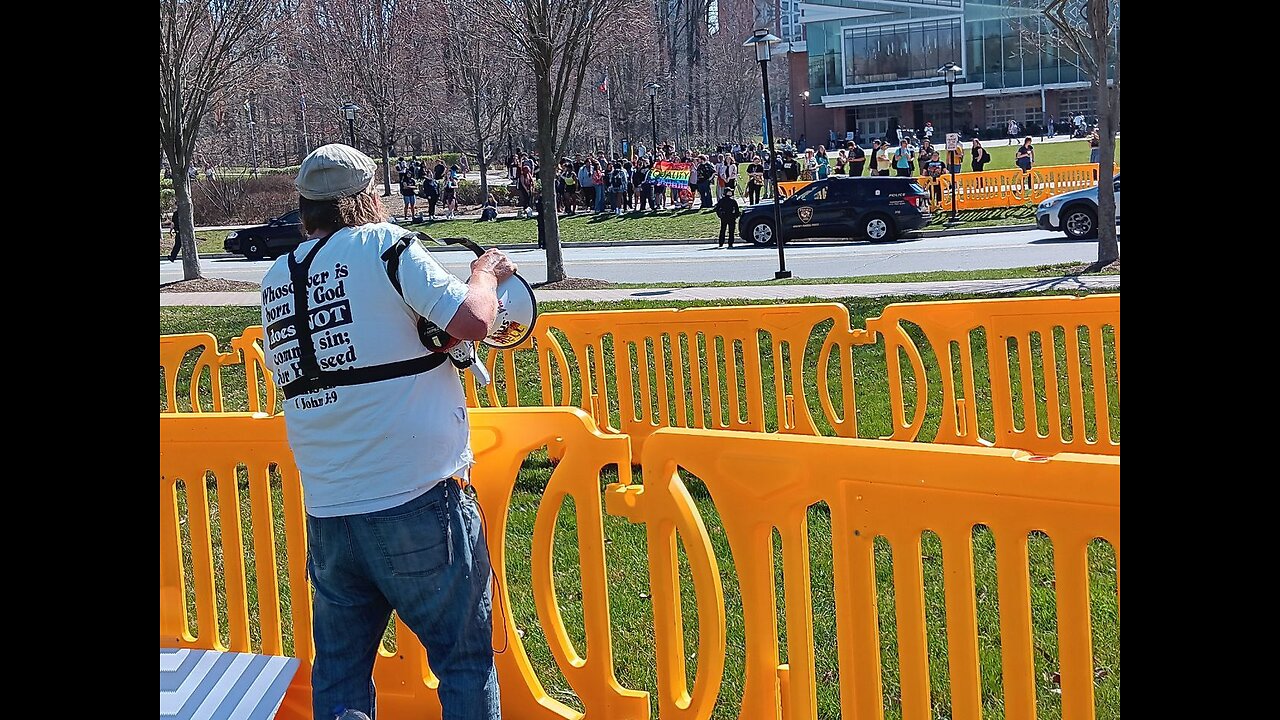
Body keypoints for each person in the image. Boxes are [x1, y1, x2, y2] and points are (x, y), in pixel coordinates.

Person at [259, 143, 513, 720]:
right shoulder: (384, 244)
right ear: (365, 199)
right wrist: (484, 273)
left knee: (342, 676)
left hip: (328, 509)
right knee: (464, 661)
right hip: (418, 497)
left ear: (306, 207)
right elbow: (473, 319)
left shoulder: (278, 276)